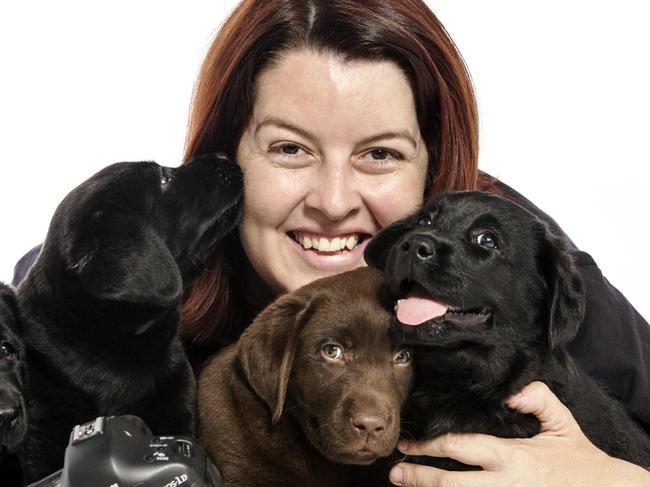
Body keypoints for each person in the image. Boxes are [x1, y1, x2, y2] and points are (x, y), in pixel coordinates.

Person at [12, 0, 650, 485]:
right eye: (290, 148)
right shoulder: (106, 288)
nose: (334, 200)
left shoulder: (520, 273)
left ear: (436, 165)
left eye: (381, 154)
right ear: (228, 151)